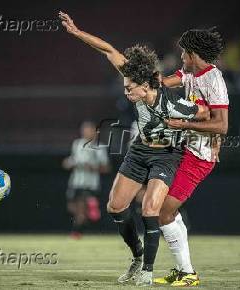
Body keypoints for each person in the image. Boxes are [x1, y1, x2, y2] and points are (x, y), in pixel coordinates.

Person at [59, 12, 210, 286]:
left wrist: (197, 113)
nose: (126, 92)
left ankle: (148, 272)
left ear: (144, 86)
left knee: (151, 210)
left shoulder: (174, 104)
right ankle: (137, 257)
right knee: (115, 206)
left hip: (166, 156)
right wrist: (76, 32)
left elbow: (205, 113)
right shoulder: (137, 77)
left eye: (130, 89)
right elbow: (108, 50)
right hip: (140, 151)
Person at [152, 28, 229, 286]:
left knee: (163, 212)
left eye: (184, 52)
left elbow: (221, 126)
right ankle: (184, 271)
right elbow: (164, 81)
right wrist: (146, 80)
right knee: (165, 210)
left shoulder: (214, 80)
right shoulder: (190, 73)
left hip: (200, 157)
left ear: (193, 54)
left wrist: (183, 125)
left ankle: (187, 273)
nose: (181, 56)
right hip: (186, 150)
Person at [62, 121, 110, 239]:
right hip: (75, 182)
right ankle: (91, 207)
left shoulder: (99, 147)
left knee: (80, 211)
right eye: (85, 130)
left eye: (90, 130)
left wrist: (92, 167)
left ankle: (76, 233)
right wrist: (68, 163)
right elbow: (72, 160)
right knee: (72, 208)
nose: (87, 132)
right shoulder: (77, 144)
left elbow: (106, 168)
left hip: (90, 184)